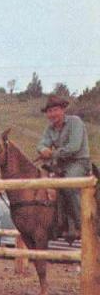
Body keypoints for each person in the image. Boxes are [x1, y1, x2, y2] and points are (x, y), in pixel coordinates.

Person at [36, 95, 91, 231]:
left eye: (55, 110)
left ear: (62, 110)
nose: (52, 114)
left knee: (68, 186)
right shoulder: (49, 129)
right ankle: (56, 225)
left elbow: (74, 147)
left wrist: (52, 153)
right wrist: (43, 149)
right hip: (60, 165)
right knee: (42, 186)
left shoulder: (75, 122)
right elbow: (41, 144)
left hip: (79, 162)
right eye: (49, 111)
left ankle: (83, 226)